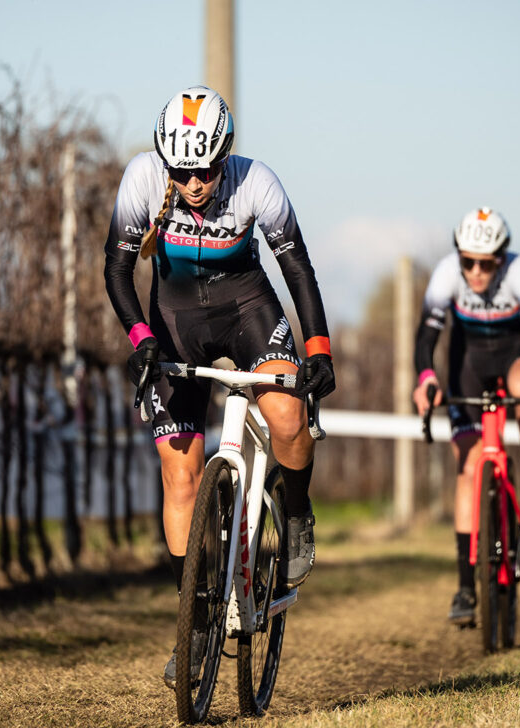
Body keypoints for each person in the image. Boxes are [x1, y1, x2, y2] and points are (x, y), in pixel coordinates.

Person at [103, 86, 335, 687]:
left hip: (247, 307)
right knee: (179, 470)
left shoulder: (257, 182)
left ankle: (299, 508)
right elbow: (117, 267)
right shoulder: (142, 181)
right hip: (175, 321)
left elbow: (297, 269)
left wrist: (318, 350)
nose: (195, 182)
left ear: (224, 155)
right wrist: (139, 339)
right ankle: (196, 621)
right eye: (183, 171)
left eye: (206, 169)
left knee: (287, 417)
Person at [411, 207, 520, 625]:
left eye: (485, 262)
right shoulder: (446, 274)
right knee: (470, 465)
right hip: (468, 364)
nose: (475, 272)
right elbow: (427, 336)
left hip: (515, 356)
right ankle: (464, 587)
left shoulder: (519, 273)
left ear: (501, 257)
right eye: (467, 261)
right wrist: (426, 379)